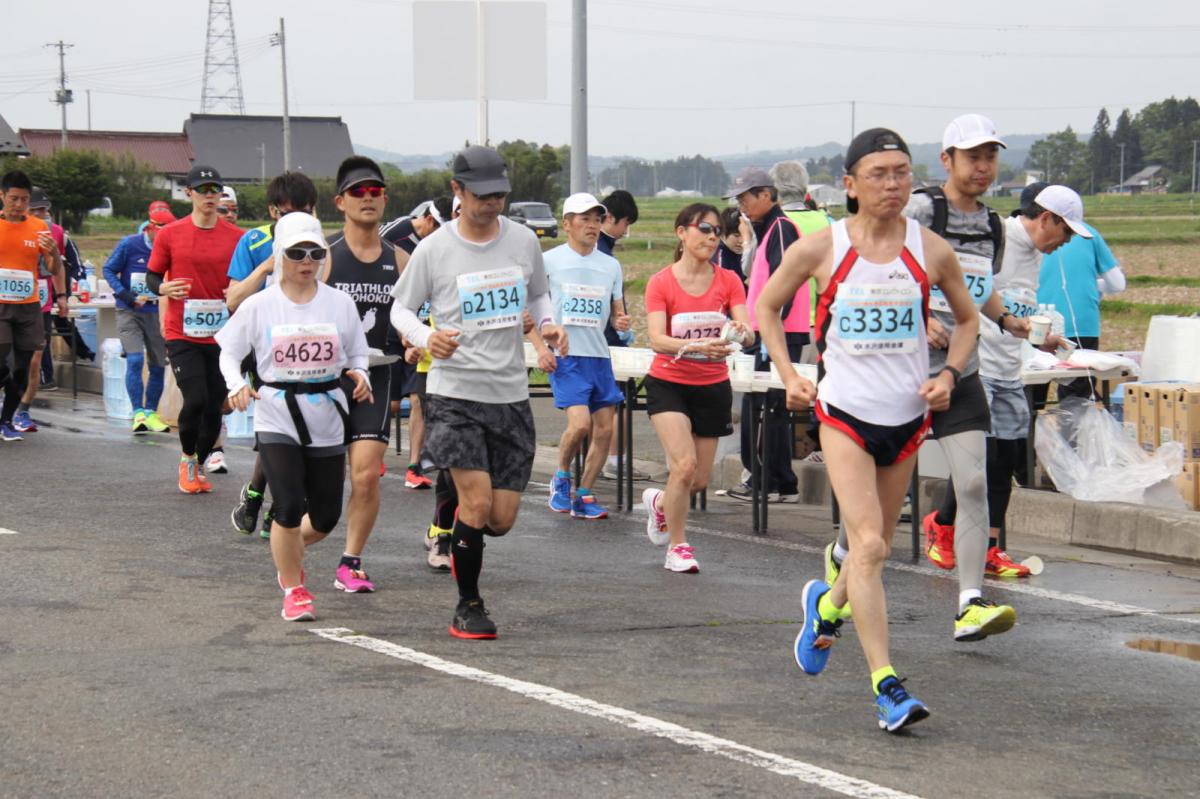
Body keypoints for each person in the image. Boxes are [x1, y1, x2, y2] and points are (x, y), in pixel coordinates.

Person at [759, 128, 978, 732]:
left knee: (866, 549)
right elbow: (767, 307)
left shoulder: (930, 250)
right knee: (873, 545)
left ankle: (826, 608)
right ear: (850, 184)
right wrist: (789, 374)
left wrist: (950, 374)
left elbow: (967, 321)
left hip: (905, 419)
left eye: (902, 172)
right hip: (844, 414)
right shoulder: (822, 248)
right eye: (879, 174)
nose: (892, 184)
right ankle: (887, 687)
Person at [390, 144, 567, 639]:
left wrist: (548, 324)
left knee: (501, 518)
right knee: (477, 504)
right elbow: (400, 309)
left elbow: (538, 294)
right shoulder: (435, 249)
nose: (492, 204)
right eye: (482, 196)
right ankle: (468, 605)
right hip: (454, 394)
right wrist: (426, 337)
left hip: (508, 394)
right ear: (457, 191)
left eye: (499, 196)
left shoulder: (522, 240)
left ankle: (459, 520)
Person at [217, 212, 371, 621]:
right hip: (276, 413)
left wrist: (361, 374)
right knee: (286, 505)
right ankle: (293, 588)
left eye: (315, 253)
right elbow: (229, 352)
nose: (307, 261)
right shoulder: (259, 305)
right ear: (279, 254)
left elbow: (358, 353)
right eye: (296, 253)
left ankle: (287, 550)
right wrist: (236, 385)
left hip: (327, 414)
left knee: (325, 517)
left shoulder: (340, 303)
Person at [931, 184, 1087, 578]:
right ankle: (943, 526)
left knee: (1006, 459)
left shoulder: (1036, 253)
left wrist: (1039, 338)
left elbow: (1014, 309)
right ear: (1046, 219)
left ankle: (990, 548)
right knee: (978, 461)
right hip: (977, 364)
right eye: (1066, 232)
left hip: (1009, 368)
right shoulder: (999, 235)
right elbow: (962, 289)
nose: (1066, 242)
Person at [641, 203, 753, 573]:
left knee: (698, 480)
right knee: (684, 465)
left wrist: (742, 333)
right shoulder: (661, 282)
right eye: (704, 228)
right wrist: (695, 346)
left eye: (717, 231)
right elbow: (657, 339)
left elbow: (747, 330)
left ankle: (660, 503)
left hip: (712, 384)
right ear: (681, 232)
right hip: (668, 383)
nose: (712, 237)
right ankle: (678, 546)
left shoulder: (728, 280)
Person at [322, 156, 403, 593]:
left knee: (367, 474)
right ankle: (291, 536)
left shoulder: (401, 260)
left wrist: (414, 339)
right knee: (324, 484)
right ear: (341, 202)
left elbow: (413, 316)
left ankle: (350, 561)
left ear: (385, 199)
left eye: (375, 192)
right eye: (358, 192)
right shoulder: (325, 258)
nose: (368, 198)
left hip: (376, 377)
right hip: (327, 378)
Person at [226, 172, 319, 538]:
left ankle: (262, 499)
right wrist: (266, 267)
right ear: (272, 212)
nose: (295, 220)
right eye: (286, 213)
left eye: (304, 212)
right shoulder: (254, 241)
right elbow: (232, 298)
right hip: (263, 350)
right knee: (279, 425)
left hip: (308, 349)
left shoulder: (320, 246)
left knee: (299, 428)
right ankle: (263, 500)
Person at [146, 165, 243, 494]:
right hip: (182, 332)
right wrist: (163, 289)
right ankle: (187, 460)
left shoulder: (236, 237)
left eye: (215, 190)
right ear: (189, 193)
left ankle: (199, 464)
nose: (210, 196)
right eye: (203, 190)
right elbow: (153, 276)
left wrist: (238, 290)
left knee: (215, 405)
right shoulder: (170, 234)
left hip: (221, 333)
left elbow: (246, 278)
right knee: (196, 399)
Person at [544, 192, 630, 520]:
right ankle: (561, 476)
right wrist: (543, 341)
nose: (592, 225)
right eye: (585, 219)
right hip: (567, 355)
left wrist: (621, 322)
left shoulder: (610, 265)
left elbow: (617, 311)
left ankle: (584, 493)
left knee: (605, 430)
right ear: (567, 224)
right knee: (580, 425)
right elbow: (533, 304)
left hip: (599, 356)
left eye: (597, 219)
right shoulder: (549, 261)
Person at [723, 167, 803, 505]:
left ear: (766, 195)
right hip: (769, 334)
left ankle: (766, 481)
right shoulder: (766, 228)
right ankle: (781, 483)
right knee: (770, 409)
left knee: (764, 409)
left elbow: (786, 283)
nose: (741, 205)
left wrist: (772, 339)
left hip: (777, 335)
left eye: (745, 198)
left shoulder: (781, 227)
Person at [382, 196, 453, 490]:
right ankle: (372, 451)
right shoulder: (396, 233)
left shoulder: (446, 246)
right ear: (428, 220)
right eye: (438, 228)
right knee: (392, 403)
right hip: (392, 322)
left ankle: (414, 466)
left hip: (424, 331)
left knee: (417, 400)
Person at [102, 201, 177, 435]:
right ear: (150, 228)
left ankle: (151, 412)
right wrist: (125, 294)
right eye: (162, 231)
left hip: (156, 312)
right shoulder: (130, 244)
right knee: (135, 359)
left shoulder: (172, 249)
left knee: (158, 365)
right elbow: (108, 269)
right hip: (129, 311)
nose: (166, 237)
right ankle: (138, 413)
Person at [1035, 209, 1124, 402]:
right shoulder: (1089, 234)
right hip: (1082, 324)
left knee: (1032, 394)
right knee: (1077, 399)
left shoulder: (1032, 233)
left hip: (1036, 326)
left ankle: (1032, 421)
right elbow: (1118, 284)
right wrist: (1092, 285)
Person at [0, 170, 62, 441]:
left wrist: (54, 252)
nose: (19, 205)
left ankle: (6, 421)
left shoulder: (38, 227)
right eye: (13, 198)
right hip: (0, 305)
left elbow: (53, 268)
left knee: (22, 369)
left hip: (28, 305)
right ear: (2, 196)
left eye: (24, 200)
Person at [596, 189, 646, 481]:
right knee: (619, 401)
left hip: (601, 338)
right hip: (607, 341)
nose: (626, 231)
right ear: (611, 218)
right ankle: (615, 461)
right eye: (626, 223)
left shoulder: (596, 249)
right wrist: (618, 326)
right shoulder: (602, 253)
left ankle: (598, 459)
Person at [13, 187, 68, 431]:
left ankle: (23, 410)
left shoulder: (55, 232)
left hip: (39, 303)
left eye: (44, 209)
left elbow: (58, 266)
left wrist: (62, 296)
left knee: (34, 359)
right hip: (9, 303)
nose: (41, 214)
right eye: (35, 209)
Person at [712, 206, 749, 290]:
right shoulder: (719, 257)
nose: (742, 240)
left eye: (745, 234)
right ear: (722, 234)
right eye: (736, 235)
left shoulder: (745, 250)